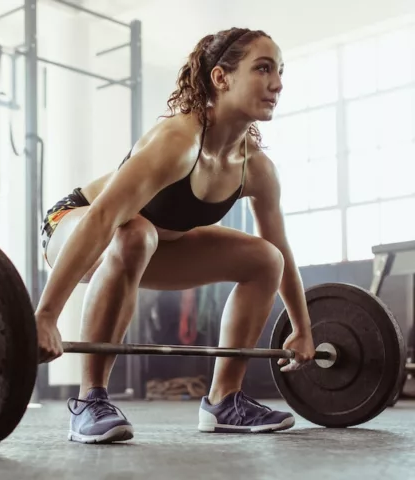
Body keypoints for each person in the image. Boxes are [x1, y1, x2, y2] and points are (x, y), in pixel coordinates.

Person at [36, 27, 316, 444]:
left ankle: (225, 400)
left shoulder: (255, 168)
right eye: (262, 69)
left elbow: (281, 250)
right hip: (74, 225)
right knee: (134, 232)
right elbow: (102, 220)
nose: (277, 84)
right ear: (221, 78)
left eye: (279, 71)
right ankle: (89, 401)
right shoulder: (176, 141)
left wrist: (303, 327)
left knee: (265, 260)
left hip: (150, 244)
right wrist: (45, 316)